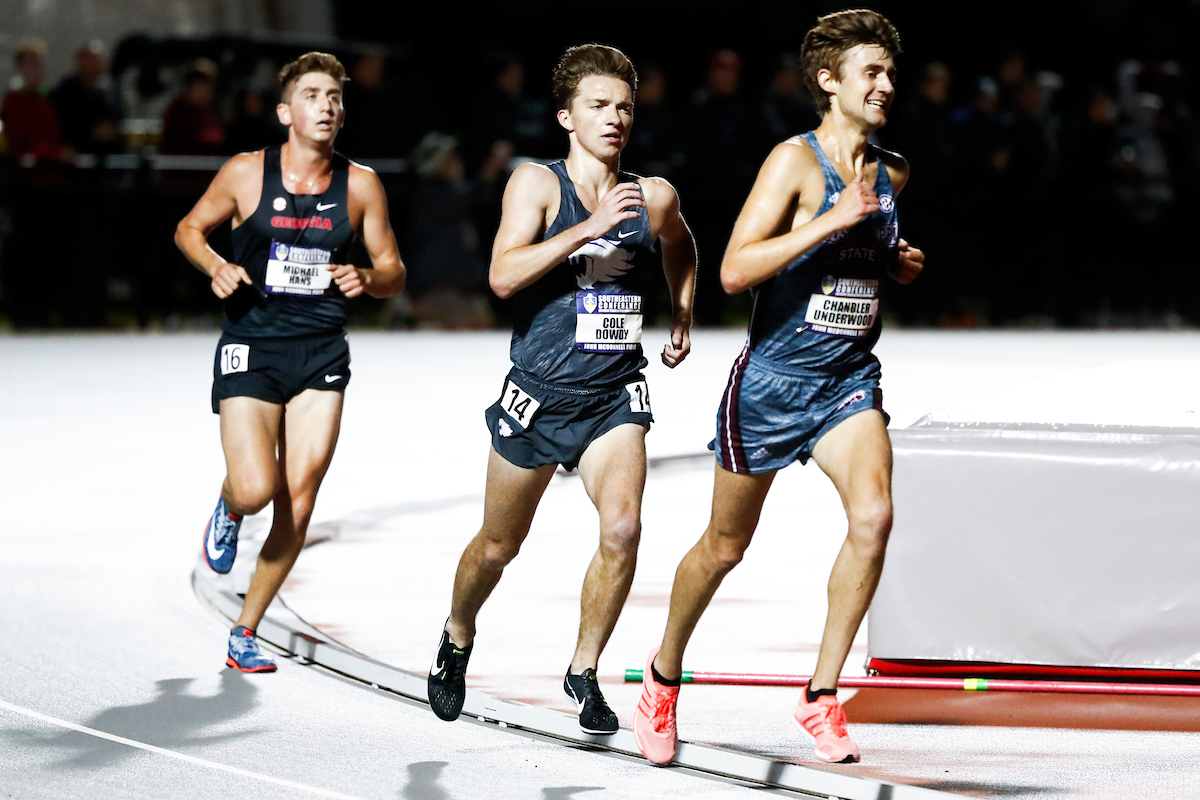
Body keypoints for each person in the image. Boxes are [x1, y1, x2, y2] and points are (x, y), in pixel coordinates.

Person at [633, 9, 925, 765]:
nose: (887, 85)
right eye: (872, 72)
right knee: (725, 547)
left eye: (891, 73)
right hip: (772, 382)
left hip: (848, 381)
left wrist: (893, 263)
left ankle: (821, 696)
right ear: (830, 82)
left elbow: (863, 256)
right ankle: (663, 677)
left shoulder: (891, 171)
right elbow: (734, 270)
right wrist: (832, 220)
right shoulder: (793, 164)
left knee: (875, 517)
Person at [427, 43, 697, 735]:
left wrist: (683, 314)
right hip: (540, 393)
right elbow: (502, 276)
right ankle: (457, 635)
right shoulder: (537, 185)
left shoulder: (653, 195)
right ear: (566, 117)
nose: (615, 119)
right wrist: (587, 228)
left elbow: (682, 245)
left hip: (613, 395)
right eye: (600, 107)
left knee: (624, 527)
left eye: (625, 108)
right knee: (497, 546)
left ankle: (583, 670)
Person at [175, 52, 406, 673]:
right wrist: (216, 265)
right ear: (285, 112)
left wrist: (367, 276)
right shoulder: (246, 174)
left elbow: (393, 271)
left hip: (321, 352)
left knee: (298, 501)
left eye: (334, 96)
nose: (326, 106)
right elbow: (189, 230)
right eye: (312, 95)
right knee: (256, 488)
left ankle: (245, 629)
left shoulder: (360, 185)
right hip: (252, 345)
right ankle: (229, 506)